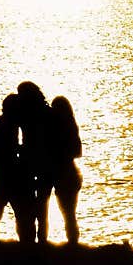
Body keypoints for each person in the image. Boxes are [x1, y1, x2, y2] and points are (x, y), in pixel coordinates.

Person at [0, 94, 32, 242]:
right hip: (7, 175)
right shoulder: (7, 126)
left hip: (2, 174)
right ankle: (22, 243)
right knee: (14, 213)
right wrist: (2, 166)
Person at [16, 81, 55, 244]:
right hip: (44, 161)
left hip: (29, 161)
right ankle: (41, 239)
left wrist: (18, 149)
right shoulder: (48, 112)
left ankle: (29, 238)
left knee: (28, 202)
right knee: (42, 203)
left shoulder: (22, 113)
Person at [50, 96, 82, 245]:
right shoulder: (71, 127)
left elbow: (76, 152)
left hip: (66, 174)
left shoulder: (59, 128)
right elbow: (78, 151)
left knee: (68, 212)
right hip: (70, 173)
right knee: (69, 213)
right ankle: (73, 242)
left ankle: (72, 242)